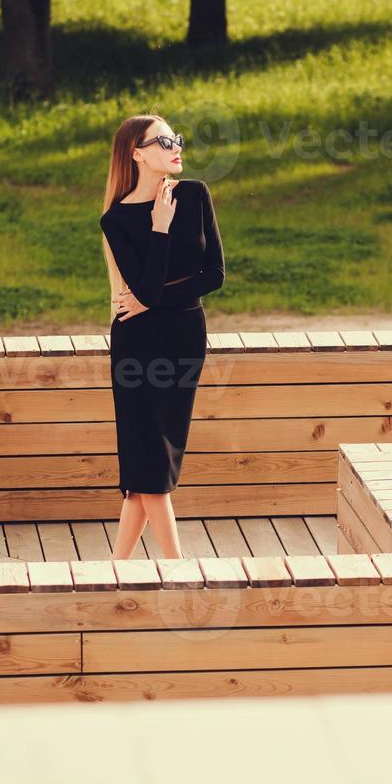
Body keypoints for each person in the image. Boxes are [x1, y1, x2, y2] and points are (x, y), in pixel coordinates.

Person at [99, 113, 226, 559]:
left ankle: (116, 568)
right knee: (149, 465)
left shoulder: (194, 195)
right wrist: (158, 225)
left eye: (177, 139)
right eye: (163, 141)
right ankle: (178, 570)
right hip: (138, 347)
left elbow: (214, 276)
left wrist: (151, 299)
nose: (176, 146)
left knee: (150, 464)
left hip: (185, 340)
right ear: (137, 154)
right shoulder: (116, 221)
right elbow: (148, 290)